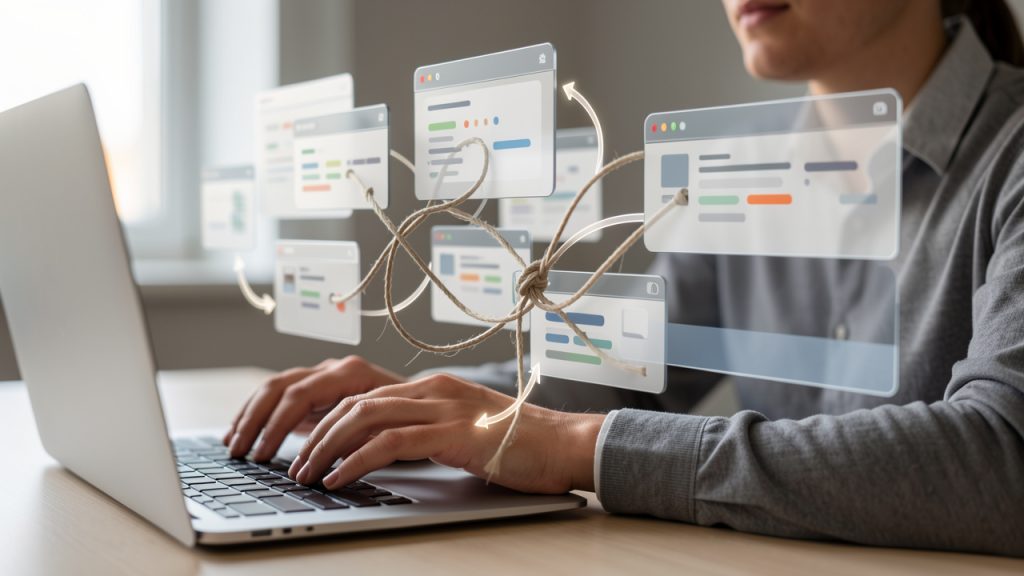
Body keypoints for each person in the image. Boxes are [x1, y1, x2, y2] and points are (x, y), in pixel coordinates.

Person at [223, 0, 1024, 555]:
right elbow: (623, 368)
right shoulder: (749, 175)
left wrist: (580, 447)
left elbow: (1002, 462)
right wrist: (420, 408)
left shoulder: (1010, 155)